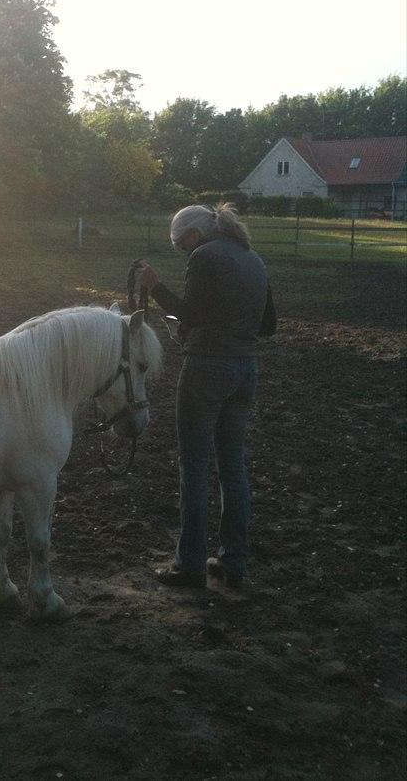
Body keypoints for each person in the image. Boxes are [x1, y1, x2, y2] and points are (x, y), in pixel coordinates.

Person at [136, 203, 276, 591]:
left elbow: (190, 313)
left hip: (207, 368)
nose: (183, 250)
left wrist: (154, 287)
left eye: (182, 243)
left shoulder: (204, 256)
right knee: (233, 466)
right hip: (245, 369)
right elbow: (269, 324)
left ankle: (190, 564)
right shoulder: (253, 258)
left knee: (194, 465)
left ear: (194, 234)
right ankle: (234, 561)